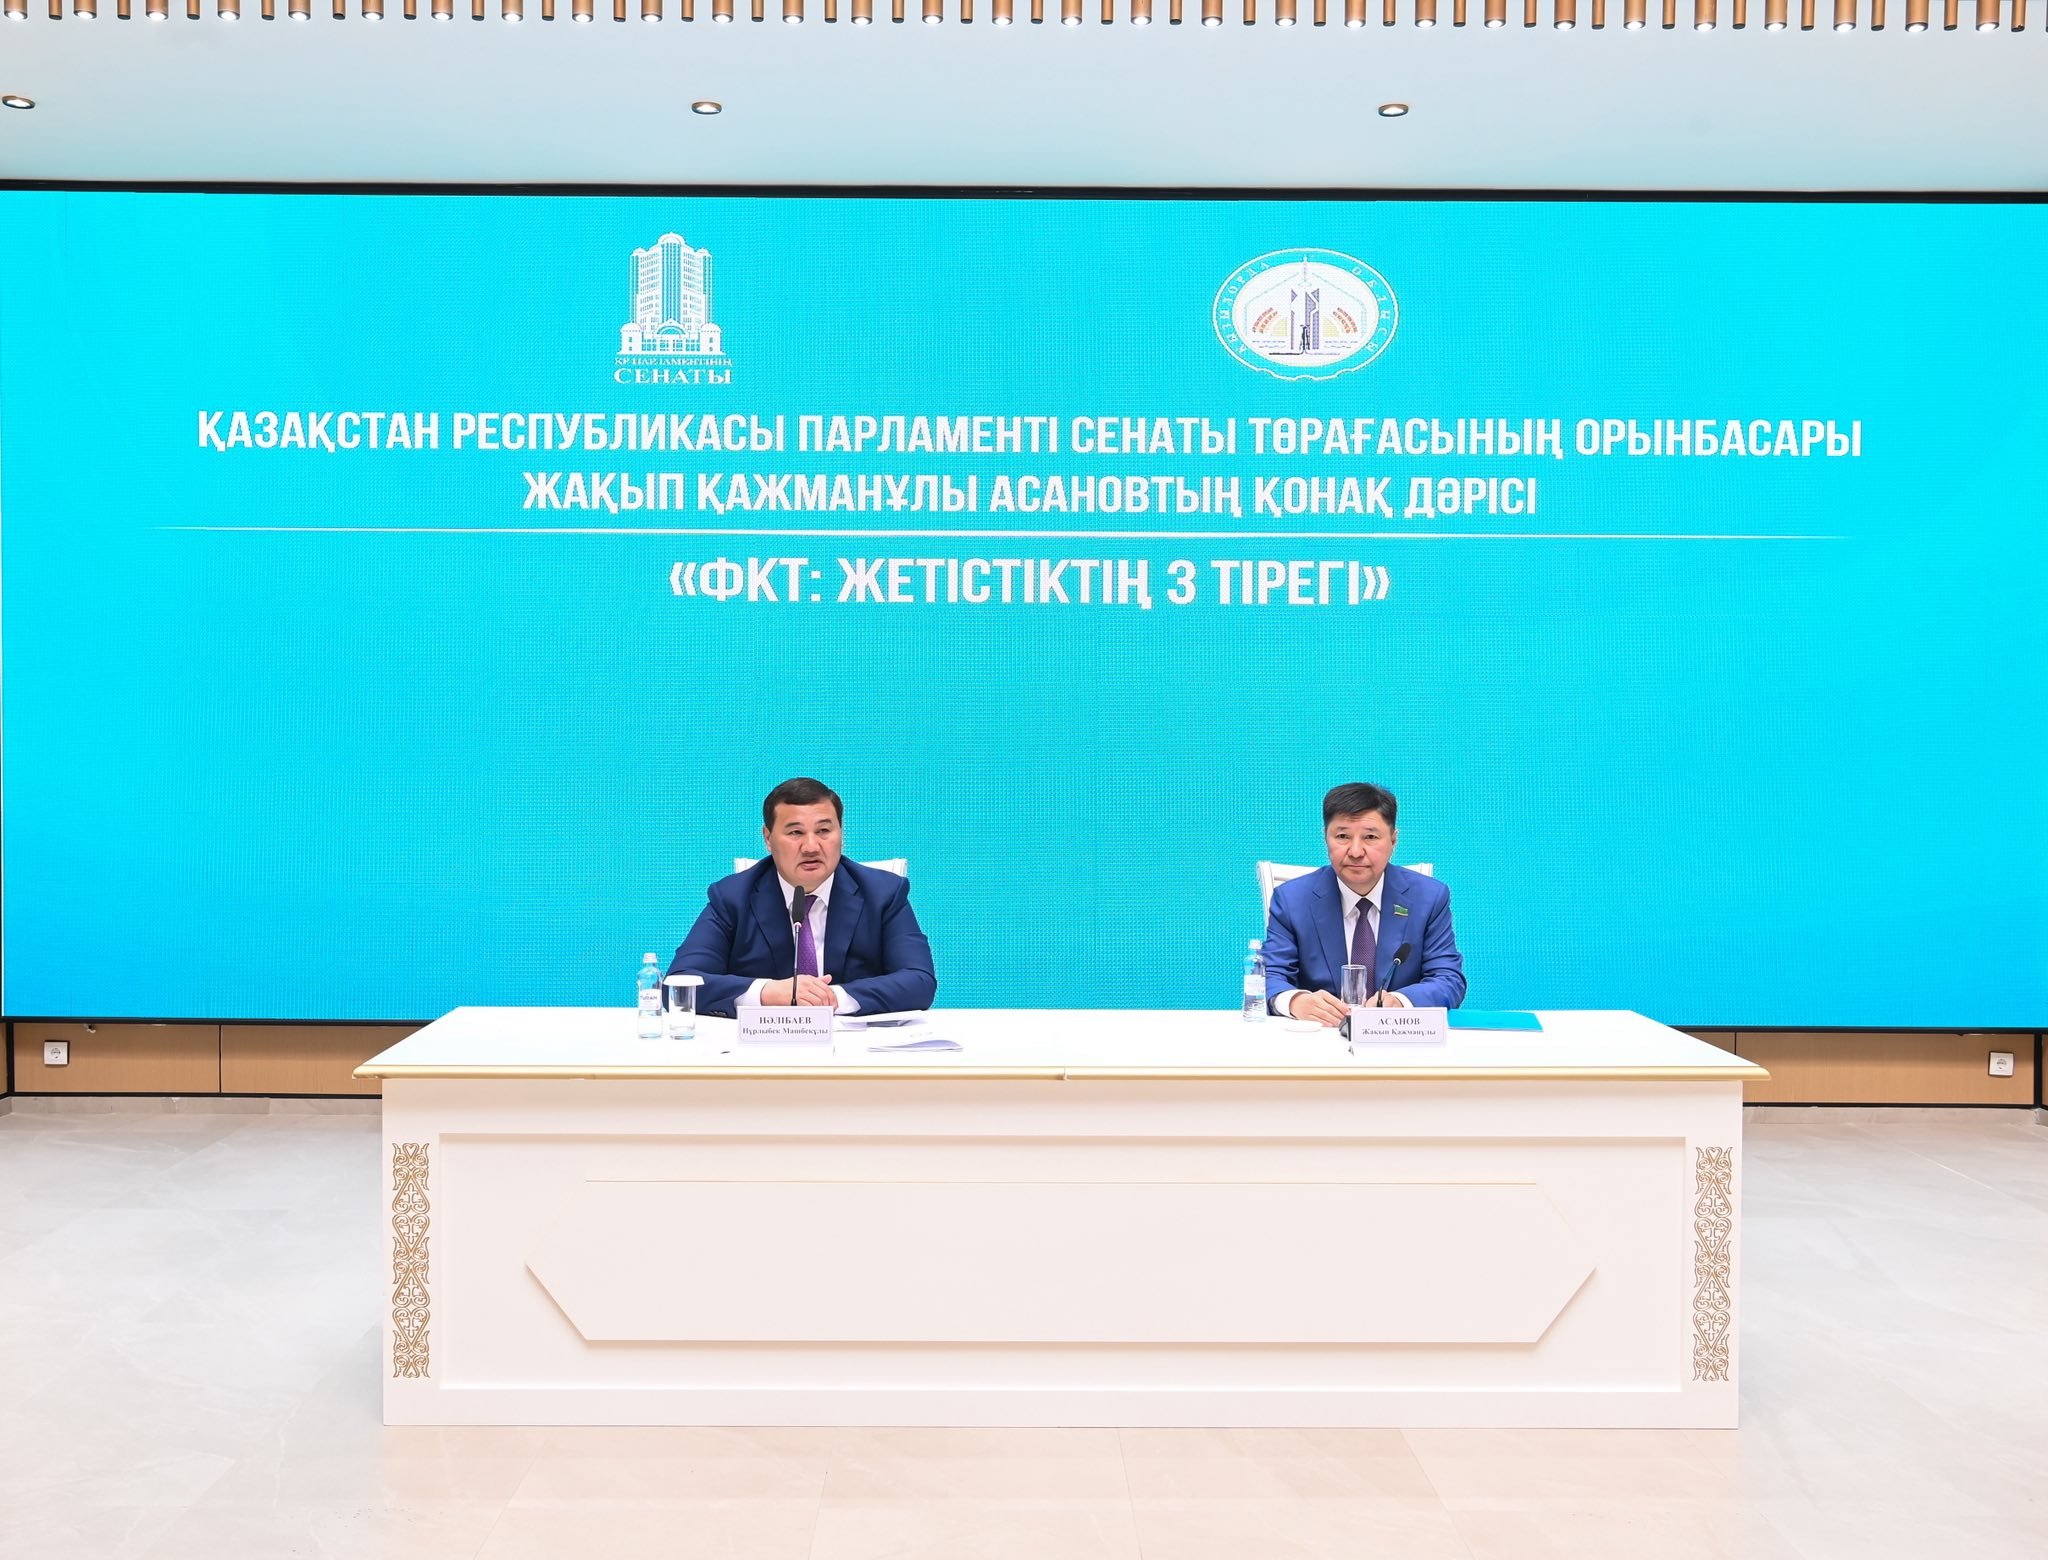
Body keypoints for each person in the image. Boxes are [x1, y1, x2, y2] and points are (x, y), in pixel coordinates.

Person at [668, 777, 937, 1018]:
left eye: (824, 831)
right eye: (795, 832)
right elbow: (680, 982)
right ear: (768, 838)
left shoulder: (883, 894)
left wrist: (830, 998)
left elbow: (919, 981)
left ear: (841, 834)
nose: (811, 847)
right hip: (762, 1046)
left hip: (855, 1046)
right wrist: (767, 992)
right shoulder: (733, 897)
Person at [1264, 782, 1466, 1024]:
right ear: (1325, 837)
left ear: (1393, 840)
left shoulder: (1429, 898)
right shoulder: (1292, 900)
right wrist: (1295, 1001)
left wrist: (1400, 1002)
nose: (1356, 851)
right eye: (1342, 836)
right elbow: (1269, 975)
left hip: (1397, 1036)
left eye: (1370, 837)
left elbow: (1448, 978)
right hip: (1320, 1036)